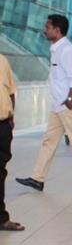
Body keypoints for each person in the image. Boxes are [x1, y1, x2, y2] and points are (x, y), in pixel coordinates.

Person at [16, 15, 72, 194]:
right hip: (58, 106)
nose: (44, 30)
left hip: (67, 106)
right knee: (49, 141)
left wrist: (69, 99)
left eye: (47, 27)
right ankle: (37, 178)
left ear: (57, 30)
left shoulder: (66, 50)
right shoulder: (56, 49)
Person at [0, 53, 23, 231]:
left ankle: (1, 218)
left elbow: (11, 91)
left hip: (3, 124)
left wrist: (11, 117)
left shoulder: (2, 60)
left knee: (1, 171)